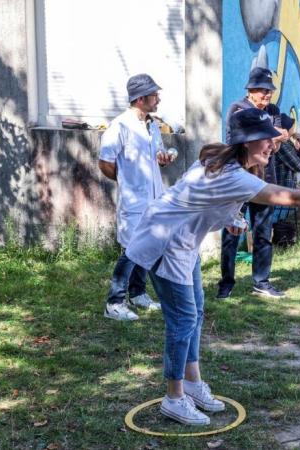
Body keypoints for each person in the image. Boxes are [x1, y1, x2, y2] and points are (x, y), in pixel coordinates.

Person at [124, 108, 300, 426]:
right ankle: (173, 398)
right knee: (183, 320)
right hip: (163, 242)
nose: (272, 145)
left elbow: (200, 195)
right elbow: (293, 198)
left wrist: (231, 218)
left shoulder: (221, 159)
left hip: (183, 243)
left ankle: (191, 383)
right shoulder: (232, 172)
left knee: (196, 314)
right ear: (246, 143)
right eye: (266, 140)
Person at [98, 73, 175, 320]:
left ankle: (138, 293)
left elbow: (158, 155)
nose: (158, 98)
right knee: (131, 252)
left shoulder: (152, 125)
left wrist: (163, 158)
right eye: (154, 95)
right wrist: (125, 181)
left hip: (154, 200)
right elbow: (105, 162)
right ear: (140, 98)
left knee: (146, 248)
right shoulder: (120, 126)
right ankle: (114, 303)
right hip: (133, 203)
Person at [217, 67, 289, 299]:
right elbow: (247, 139)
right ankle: (226, 282)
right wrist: (274, 134)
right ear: (251, 90)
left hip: (264, 180)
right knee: (231, 233)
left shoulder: (273, 110)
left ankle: (261, 281)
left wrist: (273, 136)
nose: (267, 96)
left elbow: (275, 143)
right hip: (239, 179)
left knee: (263, 232)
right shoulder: (238, 108)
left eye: (269, 91)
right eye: (262, 91)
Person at [273, 113, 300, 190]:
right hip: (283, 188)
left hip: (286, 187)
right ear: (286, 129)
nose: (293, 129)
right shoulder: (282, 145)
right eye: (292, 126)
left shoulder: (287, 142)